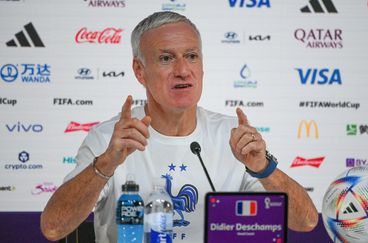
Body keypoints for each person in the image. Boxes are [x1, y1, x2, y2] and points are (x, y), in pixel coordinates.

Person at [40, 11, 318, 242]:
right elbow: (53, 227)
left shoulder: (233, 137)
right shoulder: (110, 140)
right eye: (166, 58)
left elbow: (305, 222)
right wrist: (105, 164)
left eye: (192, 56)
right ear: (139, 70)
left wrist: (263, 168)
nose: (183, 70)